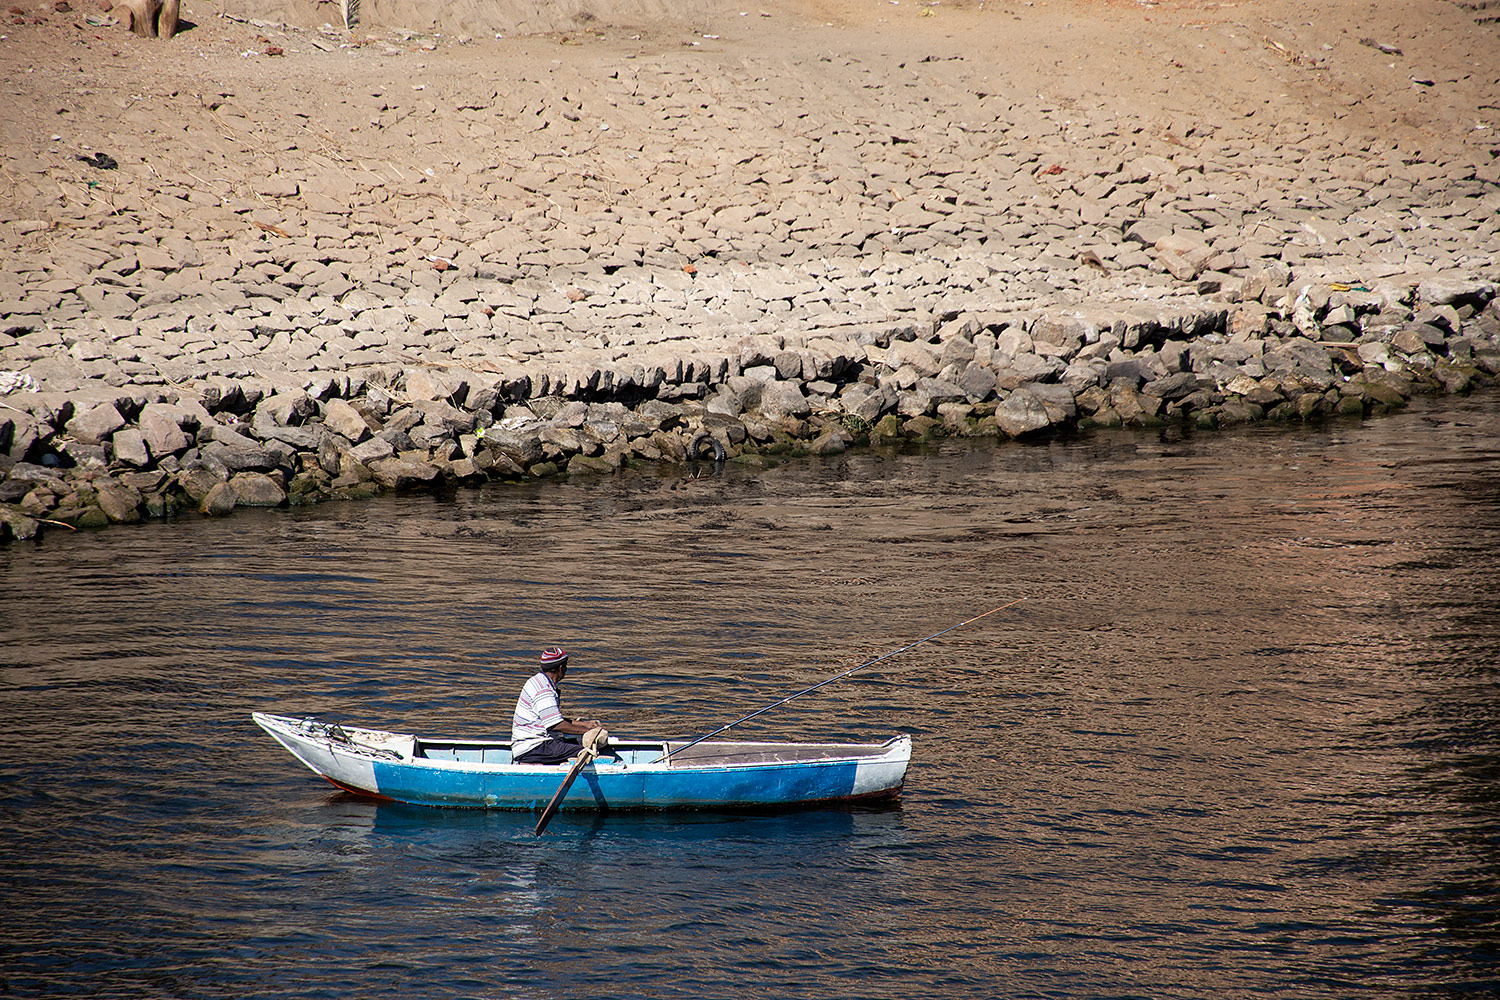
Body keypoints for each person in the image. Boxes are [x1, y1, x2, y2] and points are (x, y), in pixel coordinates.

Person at [511, 646, 604, 765]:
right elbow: (555, 725)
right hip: (534, 747)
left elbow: (551, 719)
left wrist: (584, 725)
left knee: (576, 742)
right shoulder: (544, 690)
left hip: (537, 744)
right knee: (586, 751)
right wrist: (588, 732)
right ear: (561, 668)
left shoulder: (538, 681)